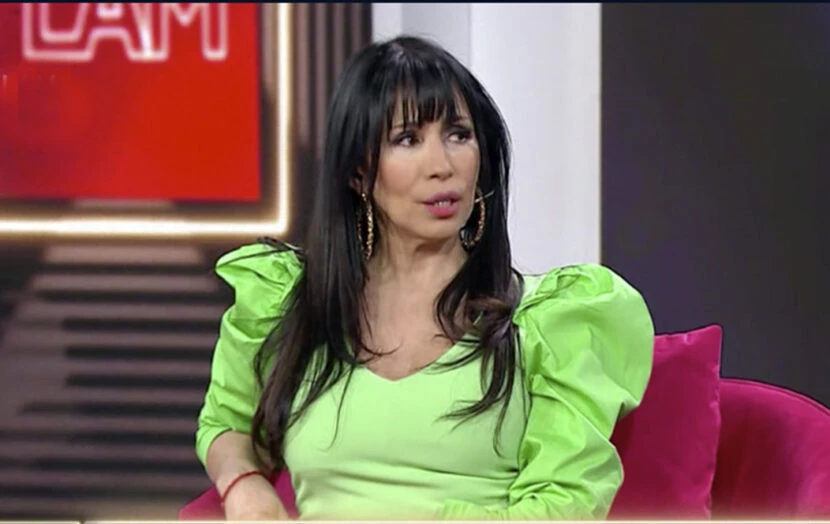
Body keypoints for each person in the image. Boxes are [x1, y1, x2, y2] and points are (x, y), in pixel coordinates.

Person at [196, 35, 654, 521]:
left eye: (458, 135)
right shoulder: (294, 304)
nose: (442, 166)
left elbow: (563, 508)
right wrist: (244, 485)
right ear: (358, 171)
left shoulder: (548, 324)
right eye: (407, 140)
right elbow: (227, 425)